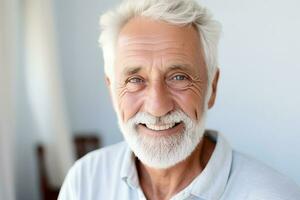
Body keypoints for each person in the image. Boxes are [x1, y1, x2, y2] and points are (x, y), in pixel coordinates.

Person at [58, 0, 300, 199]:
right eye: (134, 79)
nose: (157, 107)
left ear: (212, 88)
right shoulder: (85, 182)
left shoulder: (275, 195)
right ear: (112, 91)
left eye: (179, 77)